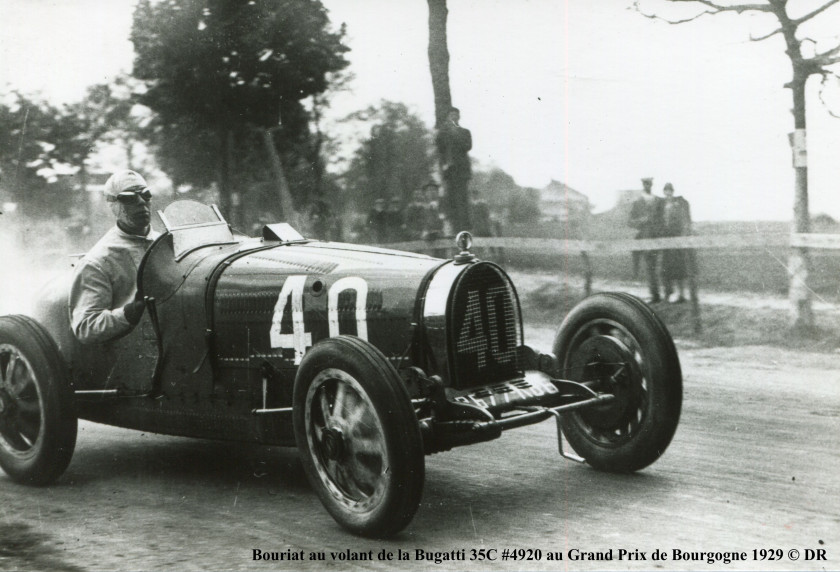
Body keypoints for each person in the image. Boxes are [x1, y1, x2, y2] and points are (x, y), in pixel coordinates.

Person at [69, 170, 159, 344]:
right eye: (129, 198)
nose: (142, 202)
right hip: (134, 349)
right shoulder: (97, 261)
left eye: (146, 194)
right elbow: (85, 327)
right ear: (114, 205)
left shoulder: (167, 243)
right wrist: (129, 313)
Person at [628, 177, 665, 303]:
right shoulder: (637, 202)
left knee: (663, 265)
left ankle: (667, 293)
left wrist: (659, 228)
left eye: (649, 184)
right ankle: (655, 294)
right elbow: (630, 221)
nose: (647, 186)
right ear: (643, 185)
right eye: (645, 184)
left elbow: (663, 218)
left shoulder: (658, 200)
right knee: (650, 266)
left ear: (652, 185)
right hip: (645, 237)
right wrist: (642, 220)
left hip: (658, 237)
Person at [436, 107, 472, 233]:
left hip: (461, 170)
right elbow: (439, 146)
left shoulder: (465, 132)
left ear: (459, 117)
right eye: (451, 115)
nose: (454, 117)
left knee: (462, 199)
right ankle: (453, 228)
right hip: (449, 171)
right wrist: (445, 131)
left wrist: (454, 133)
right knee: (451, 199)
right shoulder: (444, 132)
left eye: (456, 115)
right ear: (448, 117)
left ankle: (464, 228)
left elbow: (468, 146)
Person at [661, 182, 692, 303]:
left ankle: (681, 294)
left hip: (677, 239)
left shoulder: (678, 204)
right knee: (666, 268)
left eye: (670, 190)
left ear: (672, 192)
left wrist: (683, 233)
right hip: (665, 240)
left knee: (679, 267)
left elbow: (683, 220)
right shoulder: (661, 204)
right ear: (664, 192)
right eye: (666, 190)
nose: (668, 192)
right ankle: (668, 294)